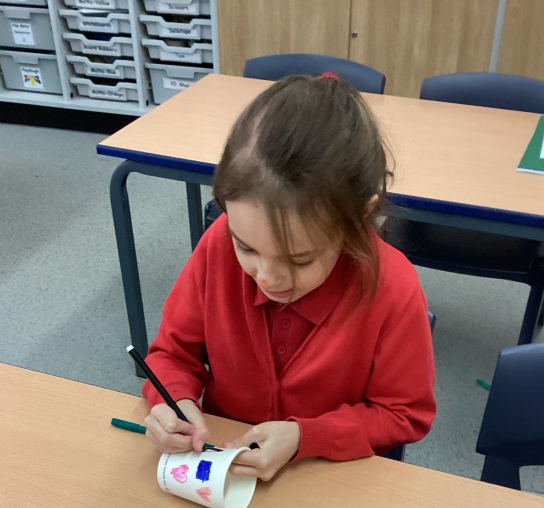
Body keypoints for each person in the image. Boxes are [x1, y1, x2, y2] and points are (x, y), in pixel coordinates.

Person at [143, 73, 436, 481]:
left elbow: (405, 414)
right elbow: (172, 355)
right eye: (247, 248)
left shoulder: (392, 286)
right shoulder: (217, 246)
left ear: (359, 218)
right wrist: (174, 401)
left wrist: (305, 437)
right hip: (225, 467)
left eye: (299, 260)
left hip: (329, 479)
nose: (267, 278)